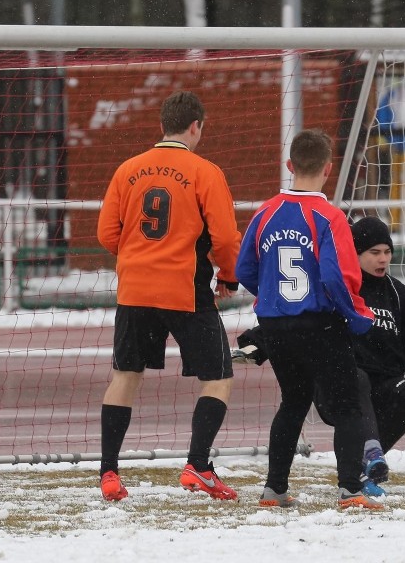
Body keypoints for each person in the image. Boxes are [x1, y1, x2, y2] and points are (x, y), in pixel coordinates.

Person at [234, 216, 405, 497]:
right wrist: (256, 344)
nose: (383, 259)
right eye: (374, 253)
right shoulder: (336, 289)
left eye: (387, 252)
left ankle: (367, 465)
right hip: (336, 389)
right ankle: (367, 456)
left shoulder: (402, 299)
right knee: (357, 378)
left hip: (384, 390)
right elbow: (299, 321)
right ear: (355, 253)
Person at [96, 90, 241, 502]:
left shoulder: (128, 169)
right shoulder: (204, 171)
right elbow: (227, 236)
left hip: (135, 288)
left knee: (125, 376)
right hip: (185, 288)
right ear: (196, 126)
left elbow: (107, 233)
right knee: (218, 376)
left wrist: (139, 256)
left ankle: (109, 472)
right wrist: (228, 277)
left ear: (162, 125)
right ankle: (198, 465)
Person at [235, 129, 383, 510]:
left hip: (276, 326)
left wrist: (271, 294)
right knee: (348, 404)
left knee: (294, 401)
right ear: (328, 169)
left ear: (289, 166)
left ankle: (274, 490)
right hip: (319, 322)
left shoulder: (265, 212)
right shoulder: (329, 217)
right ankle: (350, 491)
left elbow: (244, 268)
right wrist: (354, 313)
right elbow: (338, 275)